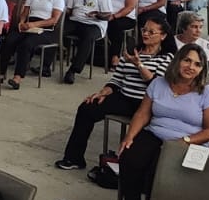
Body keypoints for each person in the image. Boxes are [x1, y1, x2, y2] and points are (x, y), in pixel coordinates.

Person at [115, 44, 209, 200]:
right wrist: (129, 136)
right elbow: (142, 113)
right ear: (177, 61)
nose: (191, 67)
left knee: (159, 169)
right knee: (130, 157)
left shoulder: (207, 92)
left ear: (202, 69)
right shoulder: (159, 83)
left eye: (197, 64)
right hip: (156, 132)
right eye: (187, 60)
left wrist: (185, 140)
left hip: (188, 141)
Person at [55, 15, 173, 171]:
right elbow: (117, 80)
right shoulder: (132, 52)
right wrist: (103, 92)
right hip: (124, 97)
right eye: (144, 30)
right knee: (86, 108)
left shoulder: (166, 58)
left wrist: (139, 65)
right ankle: (74, 158)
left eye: (152, 32)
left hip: (145, 103)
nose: (146, 34)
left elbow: (156, 84)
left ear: (163, 36)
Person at [0, 0, 63, 90]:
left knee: (26, 44)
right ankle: (1, 73)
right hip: (29, 24)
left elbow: (54, 20)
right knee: (9, 40)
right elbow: (25, 13)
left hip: (46, 28)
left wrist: (34, 24)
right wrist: (21, 23)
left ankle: (18, 77)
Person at [62, 0, 115, 83]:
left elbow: (108, 15)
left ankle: (73, 70)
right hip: (75, 20)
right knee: (58, 29)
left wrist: (97, 14)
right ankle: (46, 65)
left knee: (88, 37)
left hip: (94, 24)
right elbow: (69, 10)